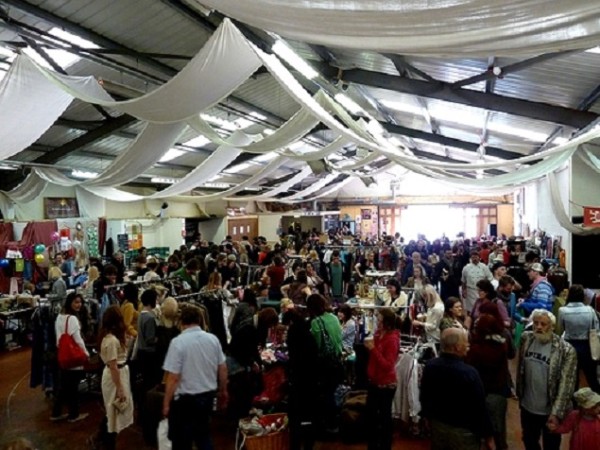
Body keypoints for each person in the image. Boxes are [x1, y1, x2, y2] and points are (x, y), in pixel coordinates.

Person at [162, 304, 228, 450]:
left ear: (181, 322)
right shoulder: (213, 339)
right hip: (207, 396)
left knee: (181, 441)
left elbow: (173, 377)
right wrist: (223, 390)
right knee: (203, 435)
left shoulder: (178, 342)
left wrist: (166, 403)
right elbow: (223, 368)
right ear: (199, 320)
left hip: (185, 400)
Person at [420, 328, 495, 450]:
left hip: (438, 427)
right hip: (463, 432)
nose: (468, 345)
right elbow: (479, 406)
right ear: (457, 347)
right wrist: (488, 436)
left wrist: (426, 416)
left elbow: (425, 395)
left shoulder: (430, 366)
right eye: (465, 342)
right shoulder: (469, 373)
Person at [516, 309, 577, 450]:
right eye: (536, 323)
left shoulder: (566, 350)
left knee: (551, 445)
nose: (538, 327)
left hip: (549, 411)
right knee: (529, 440)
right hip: (527, 406)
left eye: (543, 324)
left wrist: (557, 413)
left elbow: (566, 385)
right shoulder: (526, 339)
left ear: (552, 326)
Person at [466, 313, 512, 450]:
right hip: (499, 393)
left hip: (481, 393)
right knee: (498, 429)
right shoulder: (501, 346)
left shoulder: (476, 350)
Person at [95, 306, 134, 450]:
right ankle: (106, 443)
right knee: (113, 412)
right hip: (115, 376)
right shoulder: (111, 340)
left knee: (112, 411)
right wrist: (120, 388)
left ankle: (102, 439)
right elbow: (113, 366)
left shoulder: (109, 337)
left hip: (117, 374)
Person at [364, 308, 401, 450]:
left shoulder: (392, 339)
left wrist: (373, 349)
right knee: (372, 416)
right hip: (375, 381)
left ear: (387, 322)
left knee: (384, 417)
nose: (377, 322)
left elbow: (387, 365)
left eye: (380, 320)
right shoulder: (378, 334)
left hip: (385, 385)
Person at [51, 292, 89, 422]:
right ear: (70, 303)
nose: (79, 305)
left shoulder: (59, 317)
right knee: (73, 387)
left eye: (80, 302)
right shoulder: (72, 319)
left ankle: (56, 412)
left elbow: (58, 338)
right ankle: (74, 414)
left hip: (63, 355)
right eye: (76, 302)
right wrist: (86, 353)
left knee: (64, 386)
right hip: (74, 357)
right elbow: (78, 340)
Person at [558, 284, 600, 393]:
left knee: (572, 378)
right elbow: (596, 330)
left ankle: (573, 401)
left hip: (569, 345)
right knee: (592, 377)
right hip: (587, 346)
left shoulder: (562, 310)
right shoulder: (590, 310)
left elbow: (559, 330)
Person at [136, 289, 161, 393]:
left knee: (145, 380)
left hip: (141, 351)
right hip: (149, 354)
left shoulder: (140, 315)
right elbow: (150, 339)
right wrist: (159, 338)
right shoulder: (150, 318)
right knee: (150, 382)